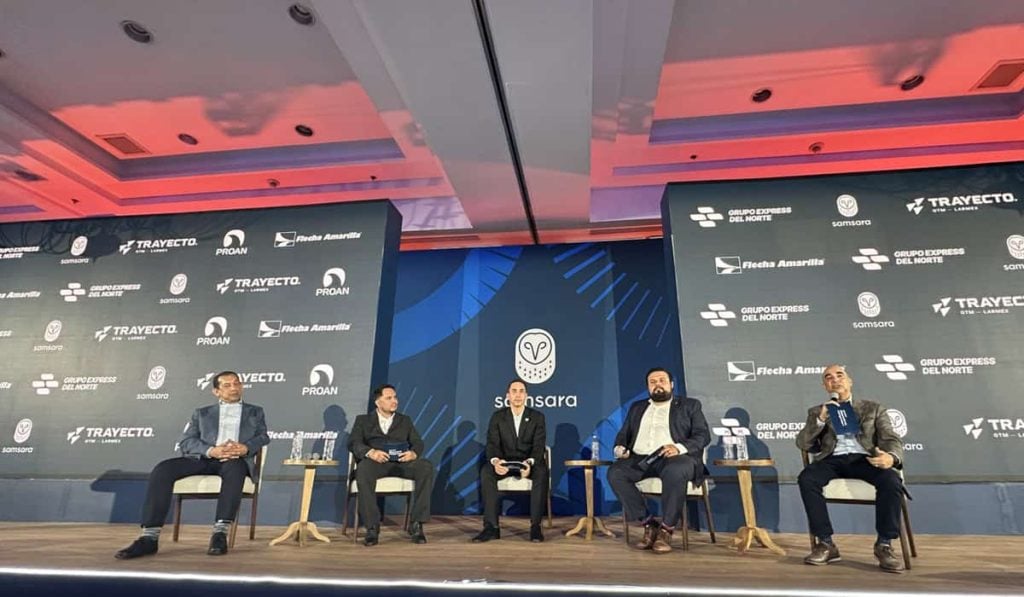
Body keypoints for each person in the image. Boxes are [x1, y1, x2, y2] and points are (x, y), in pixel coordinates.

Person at [115, 371, 269, 559]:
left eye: (237, 384)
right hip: (203, 459)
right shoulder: (202, 413)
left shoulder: (255, 412)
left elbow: (263, 437)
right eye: (227, 385)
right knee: (163, 469)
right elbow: (187, 441)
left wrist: (245, 448)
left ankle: (220, 533)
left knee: (236, 469)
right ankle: (149, 537)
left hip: (234, 460)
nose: (234, 388)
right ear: (216, 391)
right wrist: (211, 450)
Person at [795, 364, 906, 573]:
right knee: (807, 478)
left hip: (865, 459)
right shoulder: (817, 412)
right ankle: (826, 543)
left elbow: (891, 438)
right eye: (828, 377)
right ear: (825, 386)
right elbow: (803, 443)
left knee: (891, 481)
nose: (835, 380)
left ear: (850, 381)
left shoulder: (873, 408)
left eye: (840, 375)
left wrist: (890, 457)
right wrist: (820, 420)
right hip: (832, 460)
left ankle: (884, 545)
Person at [608, 367, 709, 553]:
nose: (658, 385)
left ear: (671, 384)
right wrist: (619, 448)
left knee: (675, 470)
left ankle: (666, 530)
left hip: (676, 457)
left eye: (662, 381)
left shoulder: (689, 405)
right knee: (616, 472)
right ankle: (649, 523)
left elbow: (702, 435)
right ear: (648, 387)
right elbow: (624, 434)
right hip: (642, 459)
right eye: (653, 382)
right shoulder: (637, 407)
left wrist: (678, 447)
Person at [349, 384, 434, 546]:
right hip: (376, 463)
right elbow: (354, 442)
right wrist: (370, 452)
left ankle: (417, 524)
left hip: (401, 463)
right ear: (378, 402)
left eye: (395, 397)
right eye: (389, 398)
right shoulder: (363, 420)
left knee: (425, 467)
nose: (394, 401)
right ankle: (372, 527)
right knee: (363, 469)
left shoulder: (405, 420)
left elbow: (418, 442)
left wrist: (413, 453)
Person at [473, 378, 548, 543]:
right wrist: (496, 462)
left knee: (542, 472)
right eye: (514, 391)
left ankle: (536, 527)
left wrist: (529, 463)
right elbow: (492, 444)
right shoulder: (498, 417)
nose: (518, 395)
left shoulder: (537, 417)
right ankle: (491, 527)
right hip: (505, 463)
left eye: (521, 391)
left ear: (526, 395)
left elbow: (539, 446)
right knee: (486, 472)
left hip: (528, 463)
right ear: (508, 396)